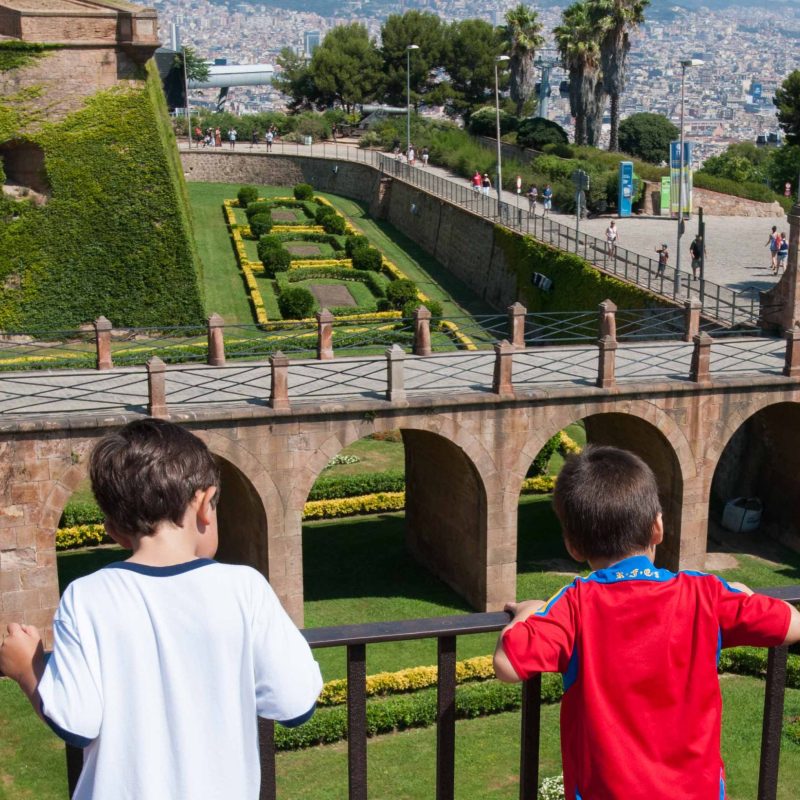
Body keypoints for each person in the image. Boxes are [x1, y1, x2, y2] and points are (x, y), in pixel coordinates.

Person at [0, 418, 322, 800]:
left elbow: (78, 723)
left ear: (113, 529)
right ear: (205, 504)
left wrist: (28, 668)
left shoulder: (87, 596)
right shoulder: (244, 588)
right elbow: (295, 702)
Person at [493, 446, 800, 800]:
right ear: (657, 527)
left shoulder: (576, 603)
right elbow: (791, 623)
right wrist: (741, 593)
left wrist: (528, 612)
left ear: (573, 547)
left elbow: (507, 664)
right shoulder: (705, 595)